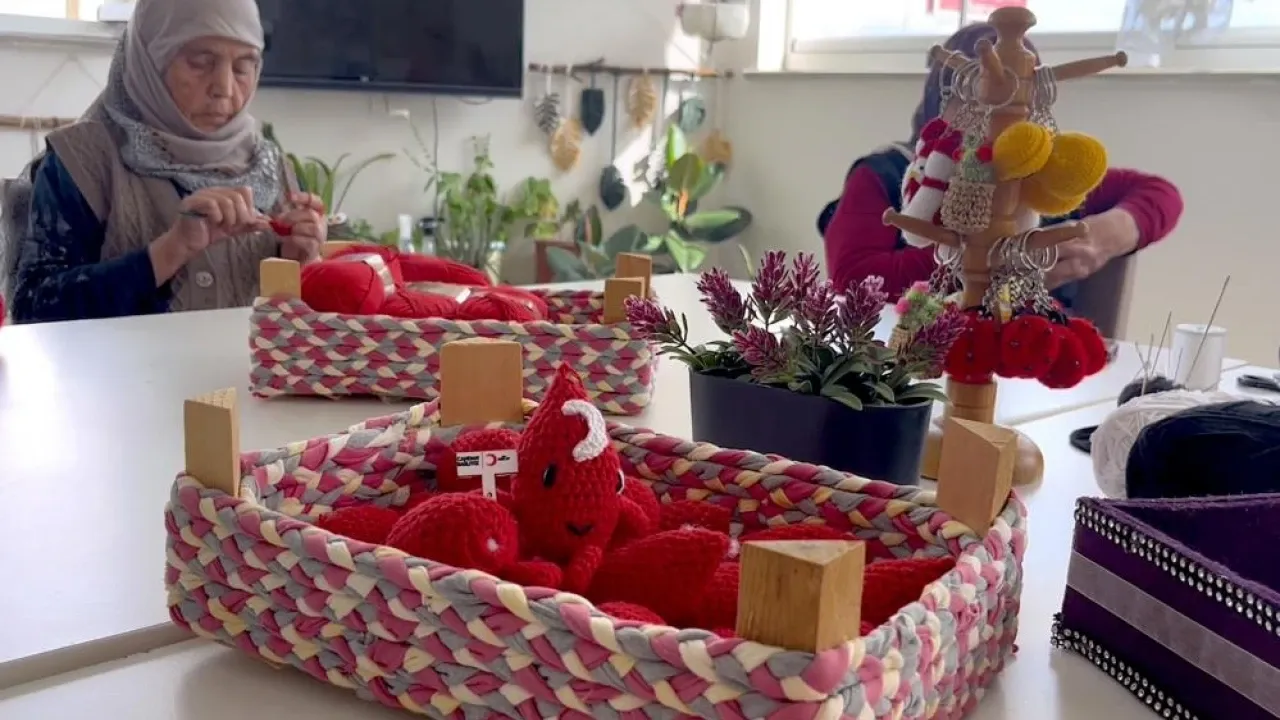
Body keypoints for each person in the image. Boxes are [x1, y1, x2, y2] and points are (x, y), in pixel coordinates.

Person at [0, 0, 326, 324]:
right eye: (200, 63)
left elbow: (294, 329)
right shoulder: (84, 162)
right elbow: (33, 312)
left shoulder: (271, 167)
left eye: (243, 67)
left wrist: (303, 263)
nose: (224, 88)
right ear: (149, 62)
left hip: (244, 362)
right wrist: (170, 250)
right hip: (116, 362)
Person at [820, 23, 1183, 307]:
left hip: (1029, 355)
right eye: (977, 100)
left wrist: (1103, 235)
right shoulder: (886, 175)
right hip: (920, 351)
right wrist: (985, 251)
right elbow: (852, 279)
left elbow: (1160, 193)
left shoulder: (1044, 176)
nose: (996, 119)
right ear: (941, 103)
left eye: (1018, 103)